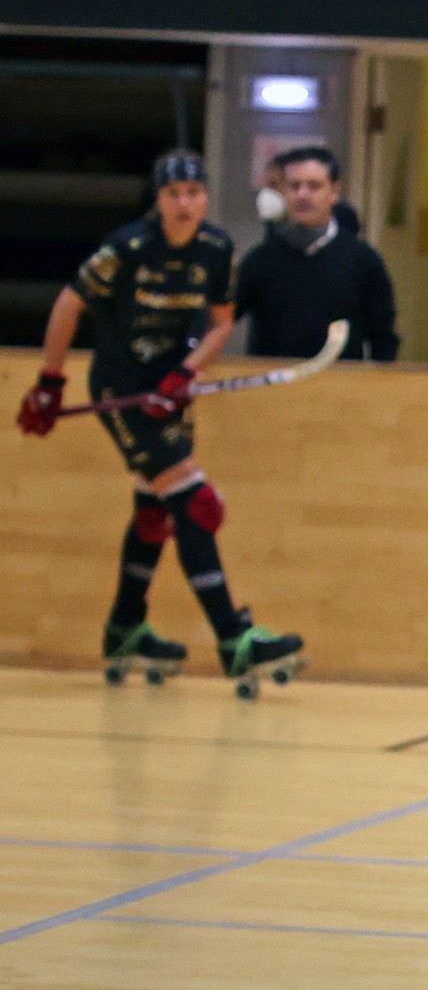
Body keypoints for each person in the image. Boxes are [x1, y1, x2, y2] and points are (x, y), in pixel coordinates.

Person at [14, 149, 305, 688]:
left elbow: (221, 323)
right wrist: (49, 384)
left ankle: (125, 629)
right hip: (121, 390)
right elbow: (69, 304)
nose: (184, 204)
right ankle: (234, 640)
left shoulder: (217, 249)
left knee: (155, 513)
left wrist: (186, 374)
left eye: (194, 193)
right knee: (197, 502)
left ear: (205, 197)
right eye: (173, 194)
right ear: (158, 199)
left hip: (168, 391)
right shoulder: (127, 247)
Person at [233, 145, 398, 363]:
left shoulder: (363, 260)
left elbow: (383, 338)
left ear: (334, 192)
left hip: (341, 381)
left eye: (314, 186)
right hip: (274, 380)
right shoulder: (260, 260)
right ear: (282, 191)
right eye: (294, 186)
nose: (303, 195)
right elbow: (222, 319)